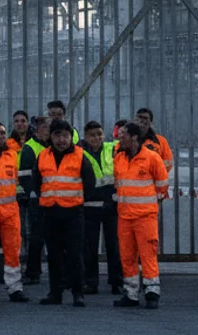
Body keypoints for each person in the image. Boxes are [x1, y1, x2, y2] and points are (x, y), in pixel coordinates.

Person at [31, 119, 93, 307]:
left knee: (75, 254)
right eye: (57, 135)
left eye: (65, 135)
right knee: (54, 255)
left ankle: (78, 293)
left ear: (71, 137)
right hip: (50, 212)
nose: (61, 140)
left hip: (73, 213)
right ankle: (55, 293)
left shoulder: (80, 155)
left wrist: (78, 201)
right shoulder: (43, 156)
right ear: (51, 137)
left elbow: (89, 182)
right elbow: (36, 181)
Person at [112, 121, 168, 309]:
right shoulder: (119, 158)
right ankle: (131, 293)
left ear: (134, 137)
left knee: (147, 254)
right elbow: (118, 183)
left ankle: (152, 292)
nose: (120, 138)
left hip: (145, 217)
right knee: (127, 256)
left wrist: (150, 205)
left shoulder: (151, 158)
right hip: (125, 216)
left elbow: (162, 186)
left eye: (123, 135)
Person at [0, 121, 27, 302]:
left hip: (10, 211)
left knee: (13, 249)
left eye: (2, 133)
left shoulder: (12, 155)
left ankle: (15, 288)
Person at [79, 121, 120, 296]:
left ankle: (117, 281)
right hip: (90, 205)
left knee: (114, 246)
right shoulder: (79, 153)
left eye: (99, 134)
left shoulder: (112, 149)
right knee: (90, 247)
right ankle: (91, 282)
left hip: (111, 204)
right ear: (86, 137)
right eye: (92, 135)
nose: (96, 138)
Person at [18, 116, 50, 285]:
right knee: (36, 237)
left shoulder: (50, 146)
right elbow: (24, 176)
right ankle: (32, 271)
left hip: (52, 197)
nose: (49, 131)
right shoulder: (30, 148)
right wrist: (34, 193)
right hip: (37, 199)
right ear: (37, 130)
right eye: (46, 128)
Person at [135, 108, 174, 172]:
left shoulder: (161, 141)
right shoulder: (127, 139)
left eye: (145, 118)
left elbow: (168, 163)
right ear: (134, 120)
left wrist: (148, 171)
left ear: (150, 122)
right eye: (139, 117)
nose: (142, 121)